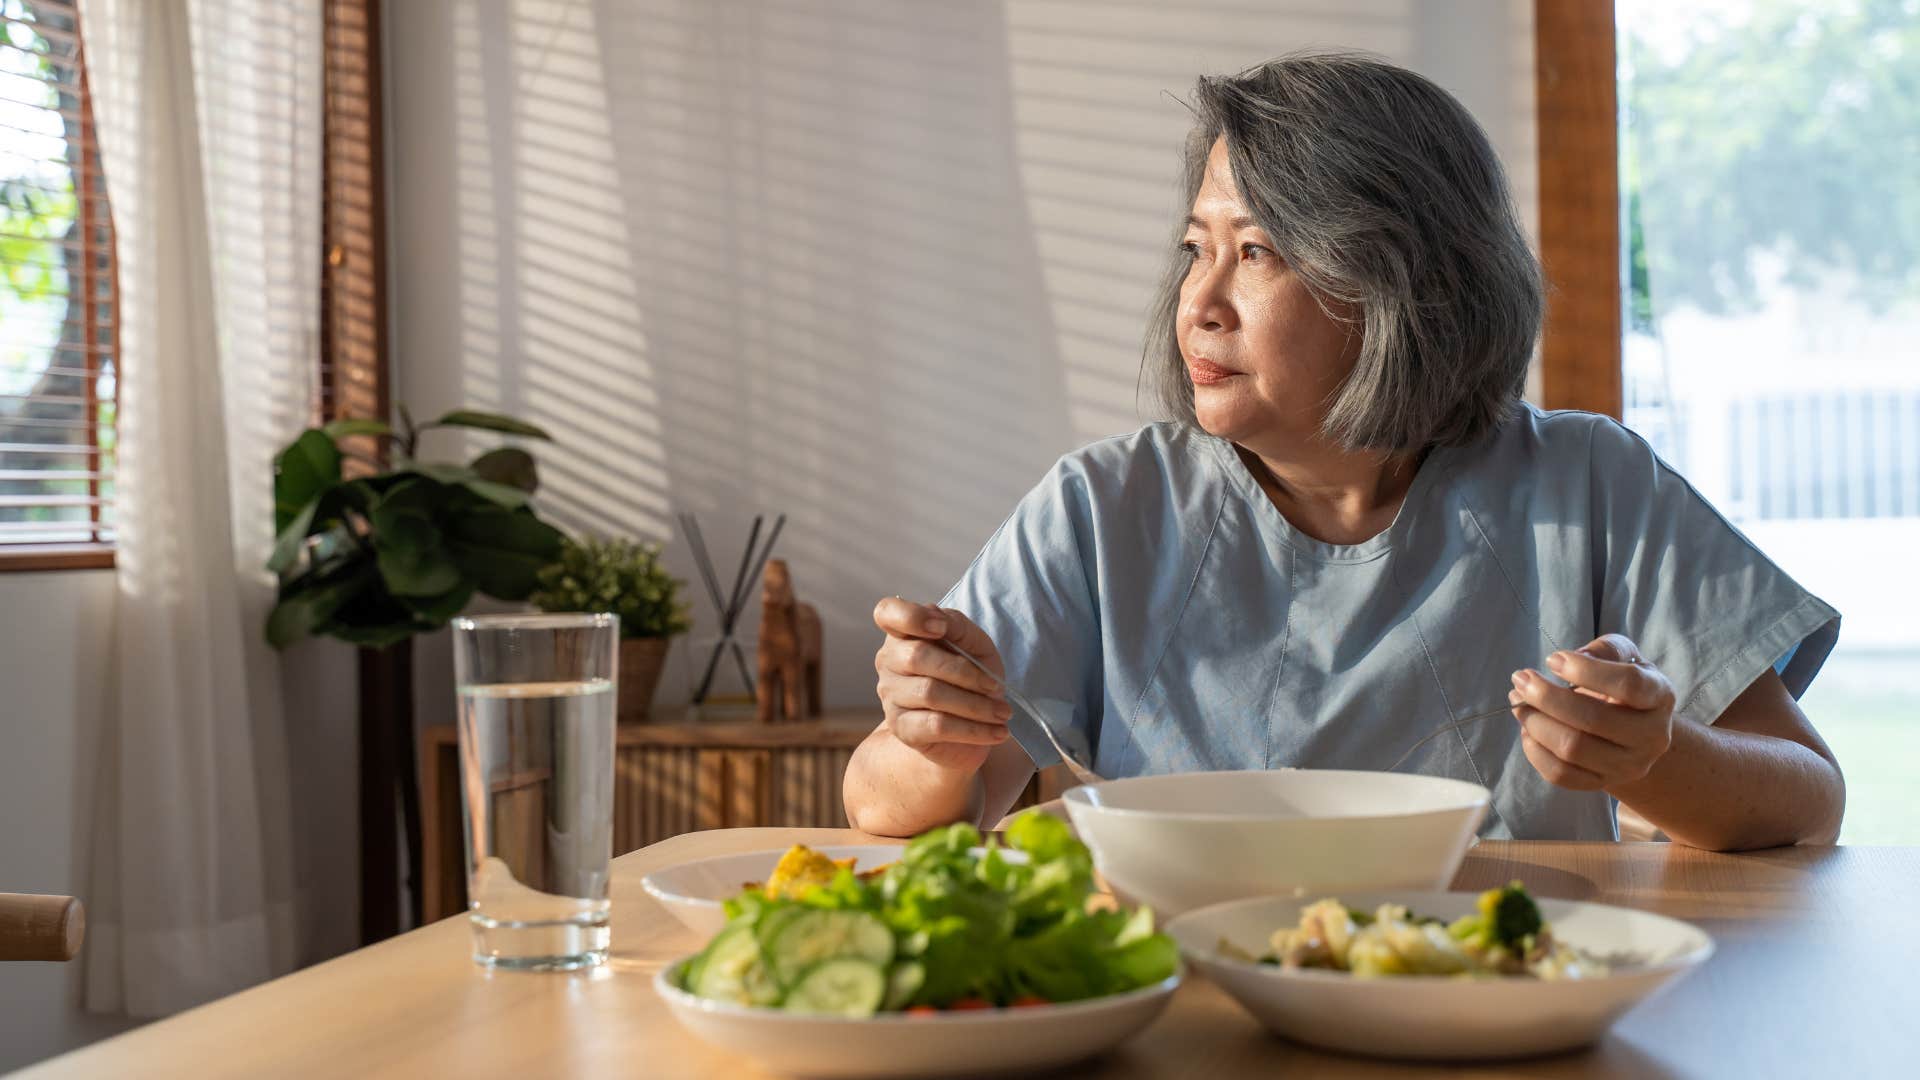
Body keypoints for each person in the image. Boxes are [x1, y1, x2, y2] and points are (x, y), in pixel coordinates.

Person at [843, 51, 1844, 850]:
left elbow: (1807, 798)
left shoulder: (1592, 484)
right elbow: (884, 810)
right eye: (1198, 248)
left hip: (1493, 1004)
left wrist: (1653, 757)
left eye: (1259, 253)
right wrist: (932, 743)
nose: (1199, 302)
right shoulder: (1102, 507)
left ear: (1401, 286)